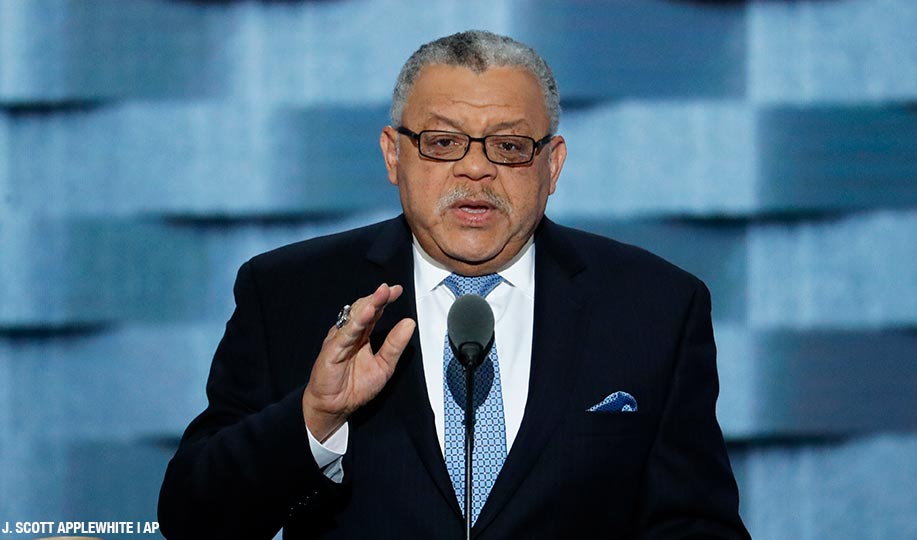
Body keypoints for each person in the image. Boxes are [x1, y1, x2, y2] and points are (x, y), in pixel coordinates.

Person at [158, 30, 750, 539]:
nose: (475, 168)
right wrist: (313, 418)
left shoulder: (656, 307)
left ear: (553, 165)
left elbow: (697, 525)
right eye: (442, 143)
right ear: (394, 156)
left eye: (510, 146)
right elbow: (194, 520)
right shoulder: (289, 293)